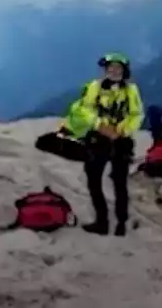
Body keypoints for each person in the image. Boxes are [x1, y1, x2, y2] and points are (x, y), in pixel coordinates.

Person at [67, 53, 142, 237]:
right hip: (98, 138)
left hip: (120, 140)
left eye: (118, 68)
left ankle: (120, 223)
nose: (114, 71)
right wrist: (100, 125)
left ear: (124, 71)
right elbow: (85, 108)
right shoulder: (95, 87)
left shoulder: (131, 91)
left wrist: (122, 130)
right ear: (105, 69)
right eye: (111, 67)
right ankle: (102, 222)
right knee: (94, 180)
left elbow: (137, 114)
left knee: (119, 182)